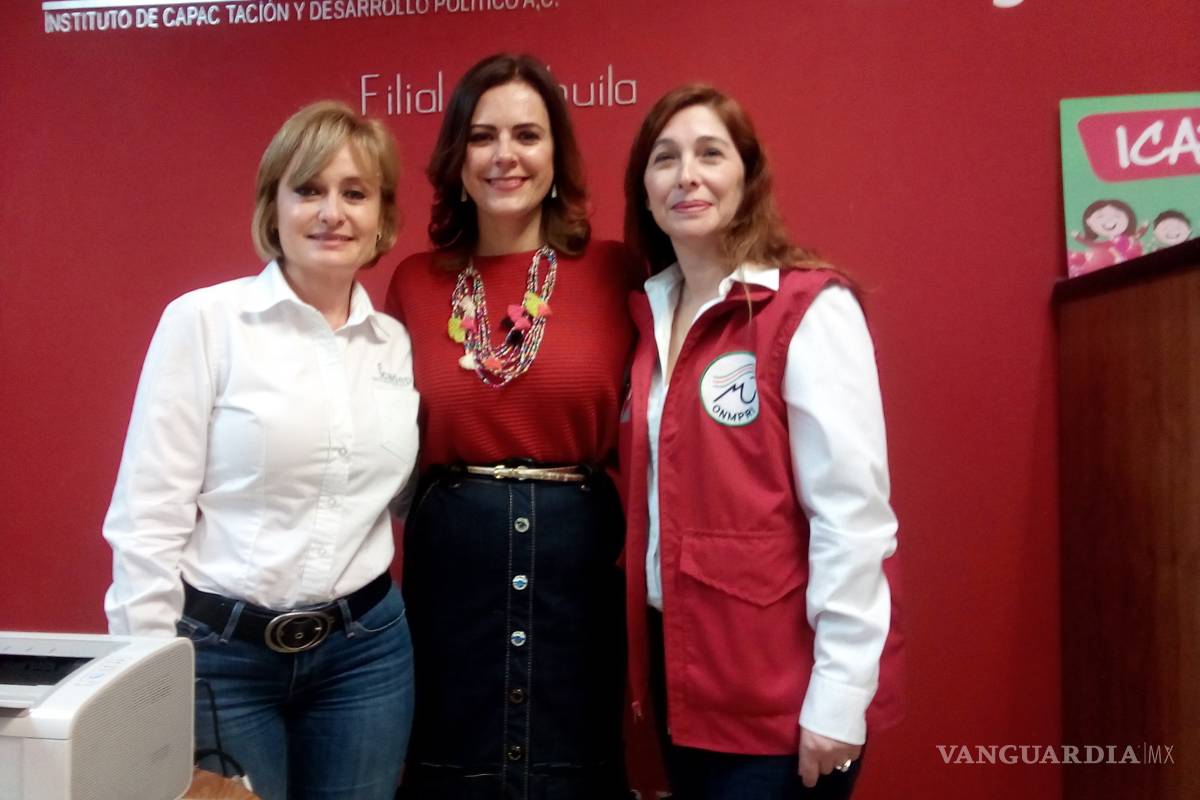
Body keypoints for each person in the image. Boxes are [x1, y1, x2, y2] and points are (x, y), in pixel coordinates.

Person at [103, 100, 420, 800]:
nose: (332, 212)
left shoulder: (394, 344)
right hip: (222, 661)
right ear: (273, 208)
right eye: (308, 189)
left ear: (382, 218)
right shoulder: (205, 323)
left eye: (355, 193)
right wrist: (146, 684)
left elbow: (388, 493)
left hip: (365, 660)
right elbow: (147, 520)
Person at [619, 84, 903, 799]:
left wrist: (840, 696)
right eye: (665, 158)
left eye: (710, 154)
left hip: (778, 695)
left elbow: (852, 516)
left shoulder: (808, 308)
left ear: (747, 177)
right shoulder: (649, 315)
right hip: (681, 681)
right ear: (644, 189)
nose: (687, 175)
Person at [384, 54, 634, 799]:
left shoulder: (616, 272)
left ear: (557, 157)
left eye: (527, 135)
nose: (505, 156)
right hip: (451, 589)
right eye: (482, 136)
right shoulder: (415, 282)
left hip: (578, 587)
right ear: (457, 159)